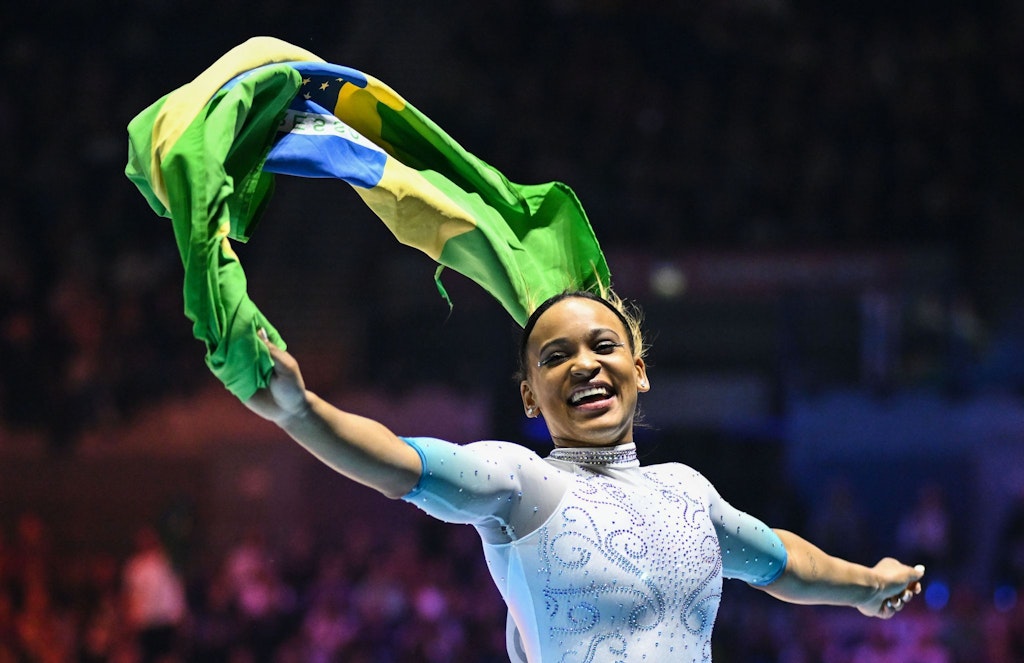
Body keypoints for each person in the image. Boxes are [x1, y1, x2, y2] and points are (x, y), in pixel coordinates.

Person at [244, 288, 925, 662]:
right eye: (555, 356)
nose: (584, 364)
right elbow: (400, 460)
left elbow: (787, 560)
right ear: (530, 396)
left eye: (604, 345)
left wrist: (869, 586)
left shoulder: (688, 490)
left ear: (641, 369)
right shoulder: (519, 482)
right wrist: (302, 413)